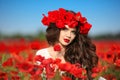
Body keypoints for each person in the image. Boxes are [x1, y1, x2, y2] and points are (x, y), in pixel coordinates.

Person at [36, 8, 98, 80]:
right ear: (56, 30)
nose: (69, 35)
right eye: (65, 29)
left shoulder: (79, 54)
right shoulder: (42, 54)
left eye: (73, 32)